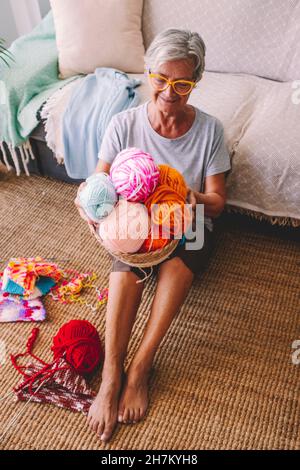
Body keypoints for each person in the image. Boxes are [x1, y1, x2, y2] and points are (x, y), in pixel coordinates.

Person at [75, 28, 231, 442]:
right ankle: (112, 373)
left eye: (182, 83)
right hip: (137, 222)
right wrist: (94, 209)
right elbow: (99, 183)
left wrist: (186, 196)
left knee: (178, 265)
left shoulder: (211, 132)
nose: (169, 92)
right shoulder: (124, 124)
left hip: (191, 220)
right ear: (148, 73)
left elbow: (218, 202)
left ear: (196, 81)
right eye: (160, 79)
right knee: (126, 266)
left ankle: (141, 366)